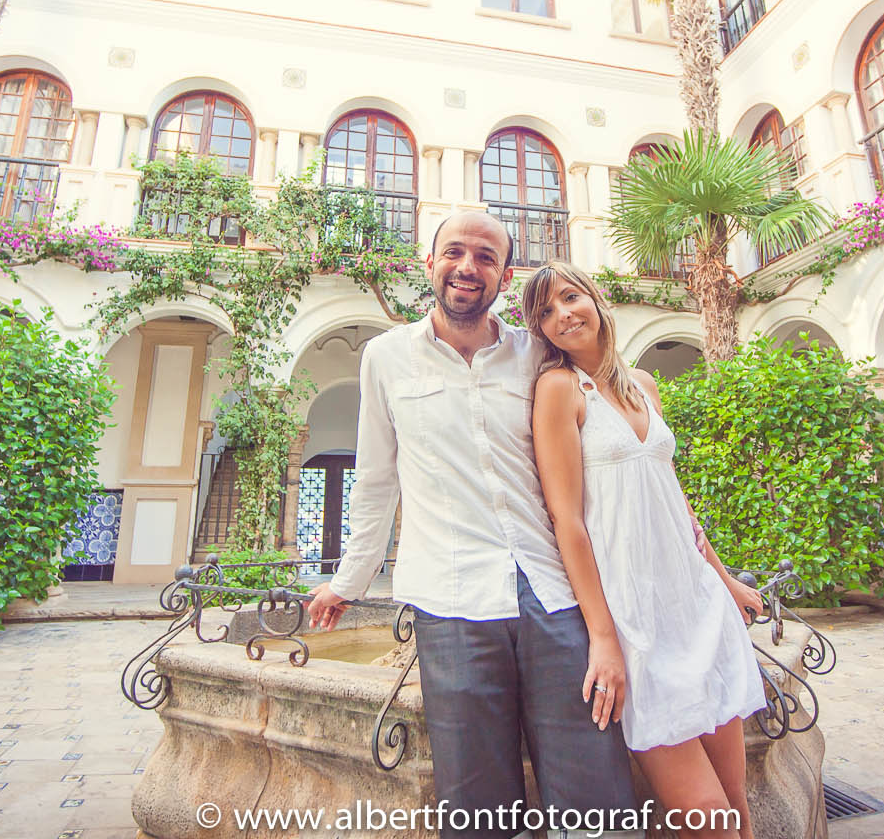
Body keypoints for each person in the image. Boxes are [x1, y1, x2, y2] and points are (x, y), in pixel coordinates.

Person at [306, 211, 639, 839]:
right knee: (477, 802)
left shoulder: (536, 354)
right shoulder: (385, 357)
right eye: (454, 252)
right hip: (451, 597)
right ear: (429, 264)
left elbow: (604, 457)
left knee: (595, 786)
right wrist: (349, 581)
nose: (467, 267)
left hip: (552, 591)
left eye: (486, 257)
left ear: (504, 277)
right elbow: (375, 479)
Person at [521, 260, 768, 839]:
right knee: (708, 818)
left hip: (694, 602)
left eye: (570, 297)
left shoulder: (644, 385)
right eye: (546, 312)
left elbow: (673, 499)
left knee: (737, 801)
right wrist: (603, 636)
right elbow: (567, 521)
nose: (563, 315)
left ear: (594, 298)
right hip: (635, 618)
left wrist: (725, 581)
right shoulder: (559, 389)